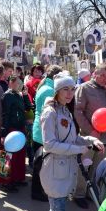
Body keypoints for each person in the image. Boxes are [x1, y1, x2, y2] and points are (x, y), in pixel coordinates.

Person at [40, 73, 104, 211]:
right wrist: (78, 150)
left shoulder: (65, 110)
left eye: (72, 89)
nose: (69, 93)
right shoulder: (50, 112)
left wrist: (90, 140)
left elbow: (73, 138)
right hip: (53, 170)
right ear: (57, 91)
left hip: (63, 169)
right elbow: (49, 144)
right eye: (65, 89)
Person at [73, 64, 106, 209]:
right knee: (84, 165)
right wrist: (89, 130)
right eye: (103, 76)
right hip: (88, 136)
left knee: (98, 166)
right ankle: (79, 194)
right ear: (95, 74)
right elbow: (78, 111)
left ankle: (91, 192)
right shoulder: (85, 88)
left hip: (105, 136)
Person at [31, 65, 63, 201]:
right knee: (41, 165)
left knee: (39, 163)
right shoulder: (50, 90)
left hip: (39, 129)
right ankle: (37, 192)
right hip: (43, 131)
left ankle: (37, 190)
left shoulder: (44, 86)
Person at [0, 76, 32, 192]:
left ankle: (17, 178)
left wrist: (26, 95)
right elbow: (5, 114)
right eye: (18, 83)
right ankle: (5, 182)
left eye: (21, 83)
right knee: (7, 156)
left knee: (19, 156)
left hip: (19, 128)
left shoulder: (19, 94)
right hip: (10, 128)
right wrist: (3, 133)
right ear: (11, 83)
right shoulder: (7, 95)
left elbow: (28, 108)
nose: (20, 85)